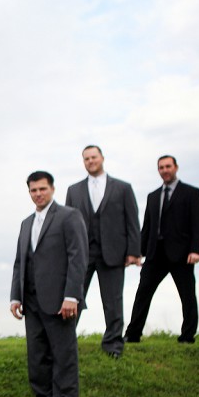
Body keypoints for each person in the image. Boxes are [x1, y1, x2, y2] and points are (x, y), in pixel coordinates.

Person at [10, 171, 88, 397]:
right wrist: (15, 297)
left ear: (52, 189)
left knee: (63, 356)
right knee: (37, 356)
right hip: (31, 302)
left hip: (60, 301)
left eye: (42, 189)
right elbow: (20, 261)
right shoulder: (25, 222)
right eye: (33, 190)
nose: (38, 194)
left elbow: (78, 257)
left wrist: (72, 296)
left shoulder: (69, 216)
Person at [65, 145, 141, 359]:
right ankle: (65, 342)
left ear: (102, 158)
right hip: (81, 254)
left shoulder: (123, 188)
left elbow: (132, 220)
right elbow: (67, 225)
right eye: (86, 158)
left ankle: (113, 344)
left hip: (113, 252)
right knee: (73, 298)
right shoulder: (74, 190)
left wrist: (134, 251)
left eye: (93, 157)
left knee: (113, 300)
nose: (90, 161)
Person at [125, 156, 199, 344]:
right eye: (161, 167)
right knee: (143, 292)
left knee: (187, 295)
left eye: (168, 166)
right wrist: (137, 252)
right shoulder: (153, 196)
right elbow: (147, 228)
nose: (165, 170)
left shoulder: (191, 193)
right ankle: (133, 334)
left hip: (182, 254)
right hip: (155, 254)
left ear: (176, 167)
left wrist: (196, 250)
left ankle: (187, 336)